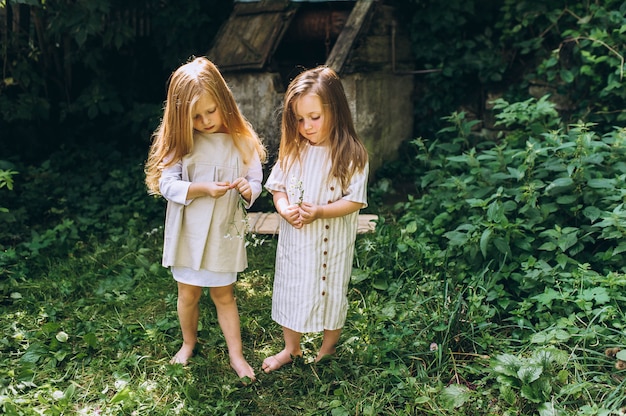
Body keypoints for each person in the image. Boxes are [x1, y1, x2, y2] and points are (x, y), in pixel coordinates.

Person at [145, 56, 266, 382]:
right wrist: (199, 188)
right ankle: (188, 343)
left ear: (224, 103)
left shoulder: (241, 141)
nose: (204, 121)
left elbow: (256, 180)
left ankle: (236, 355)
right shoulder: (182, 142)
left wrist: (246, 189)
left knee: (224, 296)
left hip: (222, 232)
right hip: (189, 233)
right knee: (188, 294)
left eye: (210, 111)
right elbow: (167, 184)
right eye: (195, 116)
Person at [262, 66, 369, 373]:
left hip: (331, 242)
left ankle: (327, 350)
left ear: (335, 110)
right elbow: (278, 188)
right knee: (292, 287)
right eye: (299, 119)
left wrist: (321, 211)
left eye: (314, 117)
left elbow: (355, 200)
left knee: (331, 289)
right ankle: (291, 349)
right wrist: (283, 209)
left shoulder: (351, 154)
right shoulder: (293, 151)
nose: (306, 126)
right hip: (297, 240)